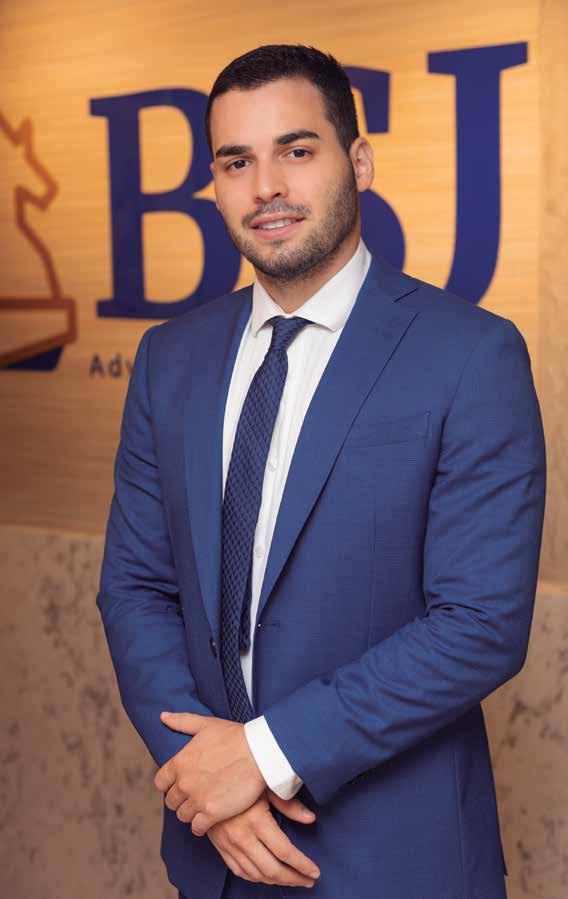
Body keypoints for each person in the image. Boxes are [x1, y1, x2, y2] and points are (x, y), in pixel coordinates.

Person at [96, 44, 547, 899]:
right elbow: (135, 588)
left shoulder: (469, 355)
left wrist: (261, 756)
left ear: (359, 161)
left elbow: (480, 622)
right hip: (219, 853)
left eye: (296, 150)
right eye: (237, 161)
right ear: (214, 183)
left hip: (396, 864)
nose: (266, 186)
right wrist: (207, 778)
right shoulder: (169, 359)